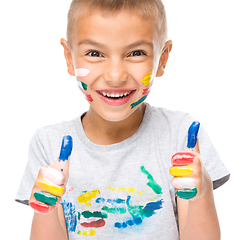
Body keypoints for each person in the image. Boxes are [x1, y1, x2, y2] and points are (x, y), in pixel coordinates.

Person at [15, 0, 230, 239]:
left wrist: (202, 194)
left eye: (136, 53)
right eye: (95, 53)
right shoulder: (49, 143)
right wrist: (46, 209)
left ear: (162, 59)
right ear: (69, 57)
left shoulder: (181, 134)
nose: (115, 76)